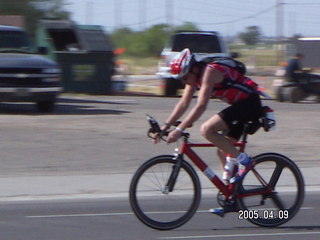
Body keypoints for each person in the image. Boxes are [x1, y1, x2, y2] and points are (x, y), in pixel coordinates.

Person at [155, 48, 264, 214]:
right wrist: (166, 126)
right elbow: (184, 103)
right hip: (239, 106)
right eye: (181, 80)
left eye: (185, 77)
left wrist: (179, 129)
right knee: (223, 150)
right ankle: (232, 196)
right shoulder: (194, 78)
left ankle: (245, 162)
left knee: (207, 130)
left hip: (249, 103)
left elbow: (200, 105)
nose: (185, 82)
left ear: (194, 69)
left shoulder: (209, 72)